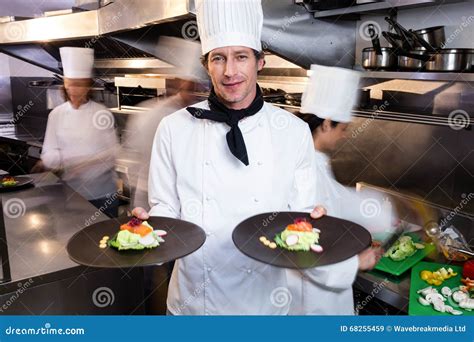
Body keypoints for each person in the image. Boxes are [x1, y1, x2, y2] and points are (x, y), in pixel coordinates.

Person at [134, 0, 376, 315]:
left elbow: (299, 219)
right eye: (218, 58)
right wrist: (149, 228)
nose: (230, 71)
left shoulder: (292, 131)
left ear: (260, 62)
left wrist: (311, 222)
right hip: (193, 304)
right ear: (206, 64)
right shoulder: (174, 128)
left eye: (241, 57)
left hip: (265, 305)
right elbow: (165, 209)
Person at [288, 64, 387, 315]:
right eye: (343, 129)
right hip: (310, 302)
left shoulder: (311, 159)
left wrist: (384, 209)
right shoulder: (305, 170)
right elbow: (300, 244)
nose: (344, 137)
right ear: (327, 123)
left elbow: (337, 199)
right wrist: (355, 263)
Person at [40, 47, 119, 217]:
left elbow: (113, 153)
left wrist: (83, 164)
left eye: (80, 85)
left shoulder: (102, 113)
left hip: (103, 196)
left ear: (88, 86)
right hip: (72, 196)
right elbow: (47, 154)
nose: (74, 90)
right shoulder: (56, 115)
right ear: (65, 85)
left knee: (107, 240)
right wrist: (65, 160)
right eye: (71, 85)